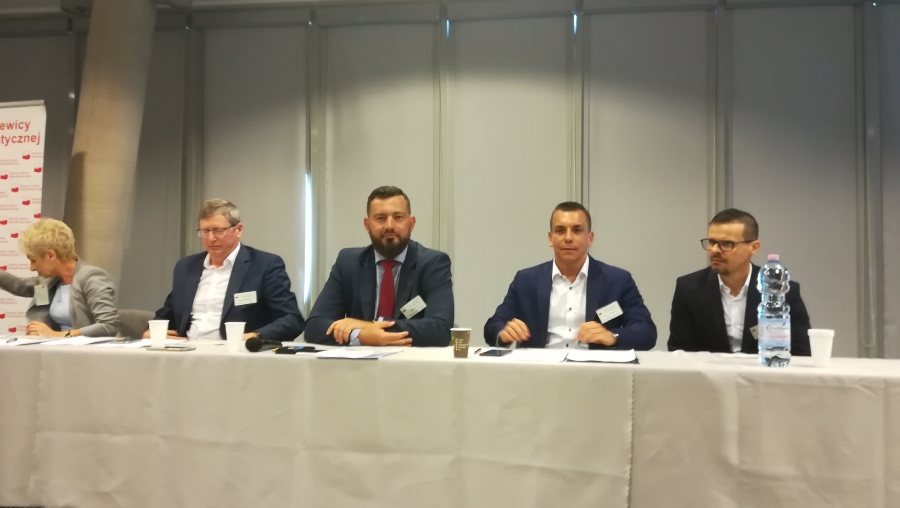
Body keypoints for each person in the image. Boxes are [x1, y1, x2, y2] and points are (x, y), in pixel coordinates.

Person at [484, 202, 656, 350]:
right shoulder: (526, 280)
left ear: (590, 238)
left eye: (577, 230)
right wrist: (503, 334)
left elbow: (646, 331)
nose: (568, 238)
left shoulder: (617, 280)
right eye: (560, 230)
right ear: (550, 238)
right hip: (541, 371)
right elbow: (493, 326)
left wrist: (612, 336)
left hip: (596, 371)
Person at [305, 186, 453, 347]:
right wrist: (361, 336)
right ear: (367, 224)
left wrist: (366, 326)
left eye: (398, 217)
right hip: (358, 361)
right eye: (381, 218)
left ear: (411, 223)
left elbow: (440, 329)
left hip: (410, 360)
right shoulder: (348, 263)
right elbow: (314, 327)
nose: (389, 225)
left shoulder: (433, 263)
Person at [149, 199, 305, 341]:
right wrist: (150, 333)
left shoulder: (264, 265)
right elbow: (165, 315)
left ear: (238, 230)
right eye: (205, 231)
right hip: (187, 352)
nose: (211, 238)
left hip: (238, 354)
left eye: (218, 231)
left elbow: (292, 320)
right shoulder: (186, 267)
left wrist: (253, 337)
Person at [668, 208, 811, 355]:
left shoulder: (780, 290)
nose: (715, 250)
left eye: (727, 243)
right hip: (708, 369)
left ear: (753, 248)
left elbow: (801, 351)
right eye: (712, 242)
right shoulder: (689, 289)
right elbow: (679, 351)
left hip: (763, 368)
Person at [0, 218, 118, 337]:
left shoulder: (92, 277)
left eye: (33, 260)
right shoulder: (50, 281)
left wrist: (58, 335)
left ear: (50, 255)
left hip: (86, 348)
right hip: (57, 346)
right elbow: (20, 286)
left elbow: (108, 326)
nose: (32, 268)